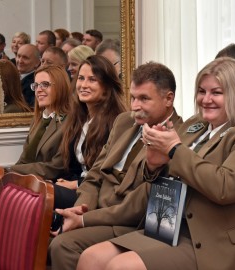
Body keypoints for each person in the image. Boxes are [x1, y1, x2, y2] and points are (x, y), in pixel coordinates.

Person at [76, 57, 235, 270]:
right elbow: (165, 176)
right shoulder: (196, 125)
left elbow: (225, 187)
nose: (206, 99)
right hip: (169, 227)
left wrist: (174, 149)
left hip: (218, 240)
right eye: (202, 91)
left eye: (216, 93)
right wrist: (154, 166)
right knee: (91, 258)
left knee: (122, 267)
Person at [48, 61, 183, 270]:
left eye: (144, 99)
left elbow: (139, 206)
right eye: (133, 98)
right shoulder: (124, 122)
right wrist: (80, 209)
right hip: (96, 209)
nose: (135, 106)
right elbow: (94, 176)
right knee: (50, 233)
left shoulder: (177, 139)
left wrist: (85, 219)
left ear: (168, 99)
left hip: (127, 222)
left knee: (63, 245)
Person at [54, 55, 127, 208]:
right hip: (79, 188)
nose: (83, 85)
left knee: (43, 195)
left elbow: (110, 175)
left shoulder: (118, 122)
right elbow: (73, 166)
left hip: (98, 195)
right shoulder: (78, 119)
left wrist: (74, 184)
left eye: (92, 80)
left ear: (107, 87)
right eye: (81, 78)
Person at [8, 65, 71, 180]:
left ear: (60, 87)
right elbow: (24, 159)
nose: (39, 90)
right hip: (29, 181)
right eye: (36, 85)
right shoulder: (38, 120)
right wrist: (9, 175)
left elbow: (55, 167)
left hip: (52, 184)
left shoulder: (70, 121)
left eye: (45, 84)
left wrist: (11, 170)